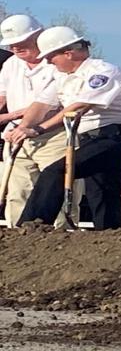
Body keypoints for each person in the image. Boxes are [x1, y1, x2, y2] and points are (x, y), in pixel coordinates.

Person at [10, 26, 121, 229]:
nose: (48, 62)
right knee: (101, 194)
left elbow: (78, 107)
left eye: (51, 56)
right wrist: (22, 128)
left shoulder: (102, 72)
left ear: (68, 53)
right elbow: (42, 105)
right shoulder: (62, 77)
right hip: (87, 139)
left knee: (57, 171)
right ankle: (109, 234)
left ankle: (34, 223)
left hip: (111, 137)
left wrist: (39, 129)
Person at [0, 14, 63, 226]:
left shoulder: (56, 64)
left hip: (53, 134)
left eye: (21, 42)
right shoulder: (11, 65)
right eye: (12, 44)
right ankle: (18, 236)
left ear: (38, 36)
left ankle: (60, 239)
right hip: (17, 136)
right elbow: (2, 96)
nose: (15, 48)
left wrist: (16, 117)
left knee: (56, 190)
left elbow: (46, 104)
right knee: (18, 192)